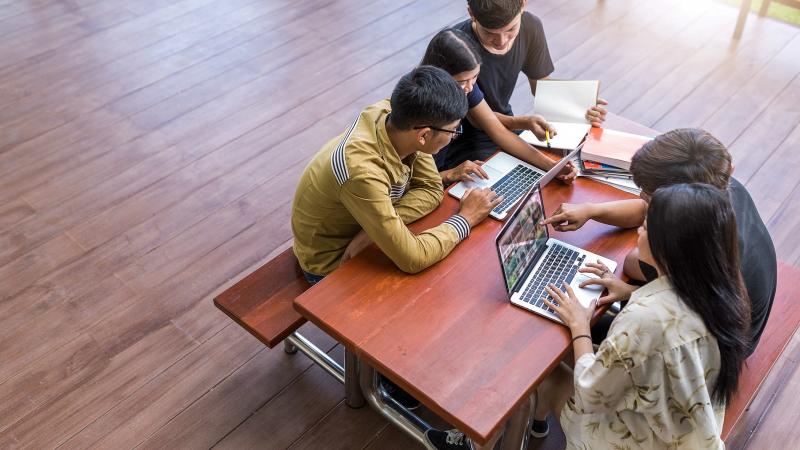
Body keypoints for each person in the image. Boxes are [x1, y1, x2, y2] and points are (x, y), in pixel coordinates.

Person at [426, 183, 752, 449]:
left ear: (672, 246)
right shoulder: (722, 290)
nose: (640, 228)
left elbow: (589, 390)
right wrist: (630, 293)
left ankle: (481, 442)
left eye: (648, 225)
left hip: (636, 440)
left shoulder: (646, 319)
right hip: (688, 430)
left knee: (541, 372)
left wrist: (581, 327)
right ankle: (533, 425)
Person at [542, 128, 777, 355]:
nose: (642, 197)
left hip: (713, 346)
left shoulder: (699, 245)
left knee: (557, 339)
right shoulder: (718, 188)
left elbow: (634, 263)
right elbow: (644, 209)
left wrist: (629, 295)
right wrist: (591, 210)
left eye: (650, 194)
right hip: (708, 313)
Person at [291, 65, 502, 283]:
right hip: (332, 262)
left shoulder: (395, 116)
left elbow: (431, 188)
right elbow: (414, 258)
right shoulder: (362, 172)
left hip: (359, 231)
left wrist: (371, 232)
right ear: (424, 135)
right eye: (454, 130)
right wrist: (465, 219)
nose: (454, 136)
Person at [441, 0, 608, 170]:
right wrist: (523, 123)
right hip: (464, 140)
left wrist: (581, 105)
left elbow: (541, 87)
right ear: (471, 14)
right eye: (490, 33)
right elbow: (478, 121)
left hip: (510, 126)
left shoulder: (530, 26)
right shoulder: (458, 48)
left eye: (510, 29)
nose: (501, 41)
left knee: (576, 161)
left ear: (522, 5)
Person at [420, 28, 578, 185]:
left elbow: (498, 131)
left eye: (474, 77)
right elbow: (405, 182)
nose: (469, 88)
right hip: (427, 180)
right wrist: (450, 174)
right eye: (462, 82)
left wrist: (552, 167)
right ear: (440, 75)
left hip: (440, 173)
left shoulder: (464, 88)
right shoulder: (418, 106)